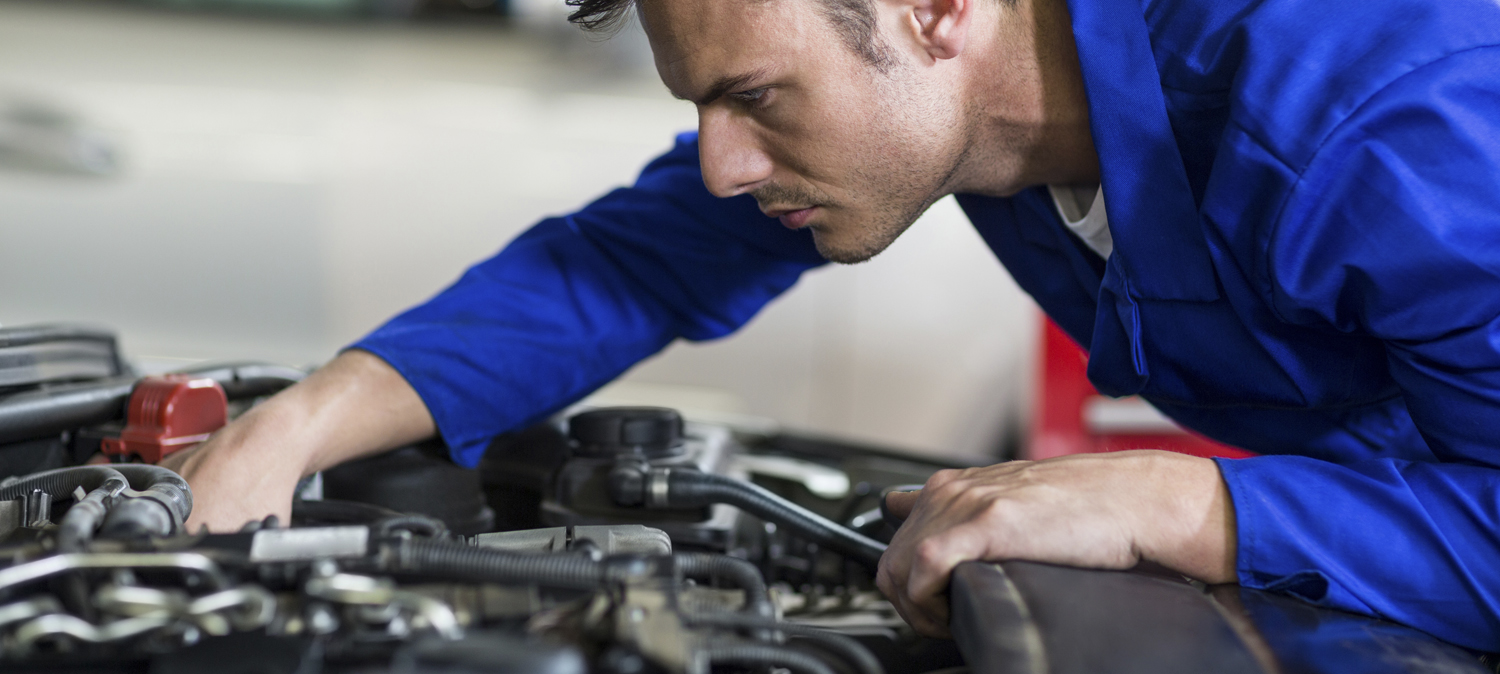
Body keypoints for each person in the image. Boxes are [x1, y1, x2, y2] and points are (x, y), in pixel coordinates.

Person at [164, 0, 1500, 651]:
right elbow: (634, 261)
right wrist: (294, 429)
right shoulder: (962, 110)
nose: (726, 163)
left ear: (934, 12)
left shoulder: (1386, 124)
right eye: (701, 109)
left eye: (753, 98)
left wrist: (1191, 506)